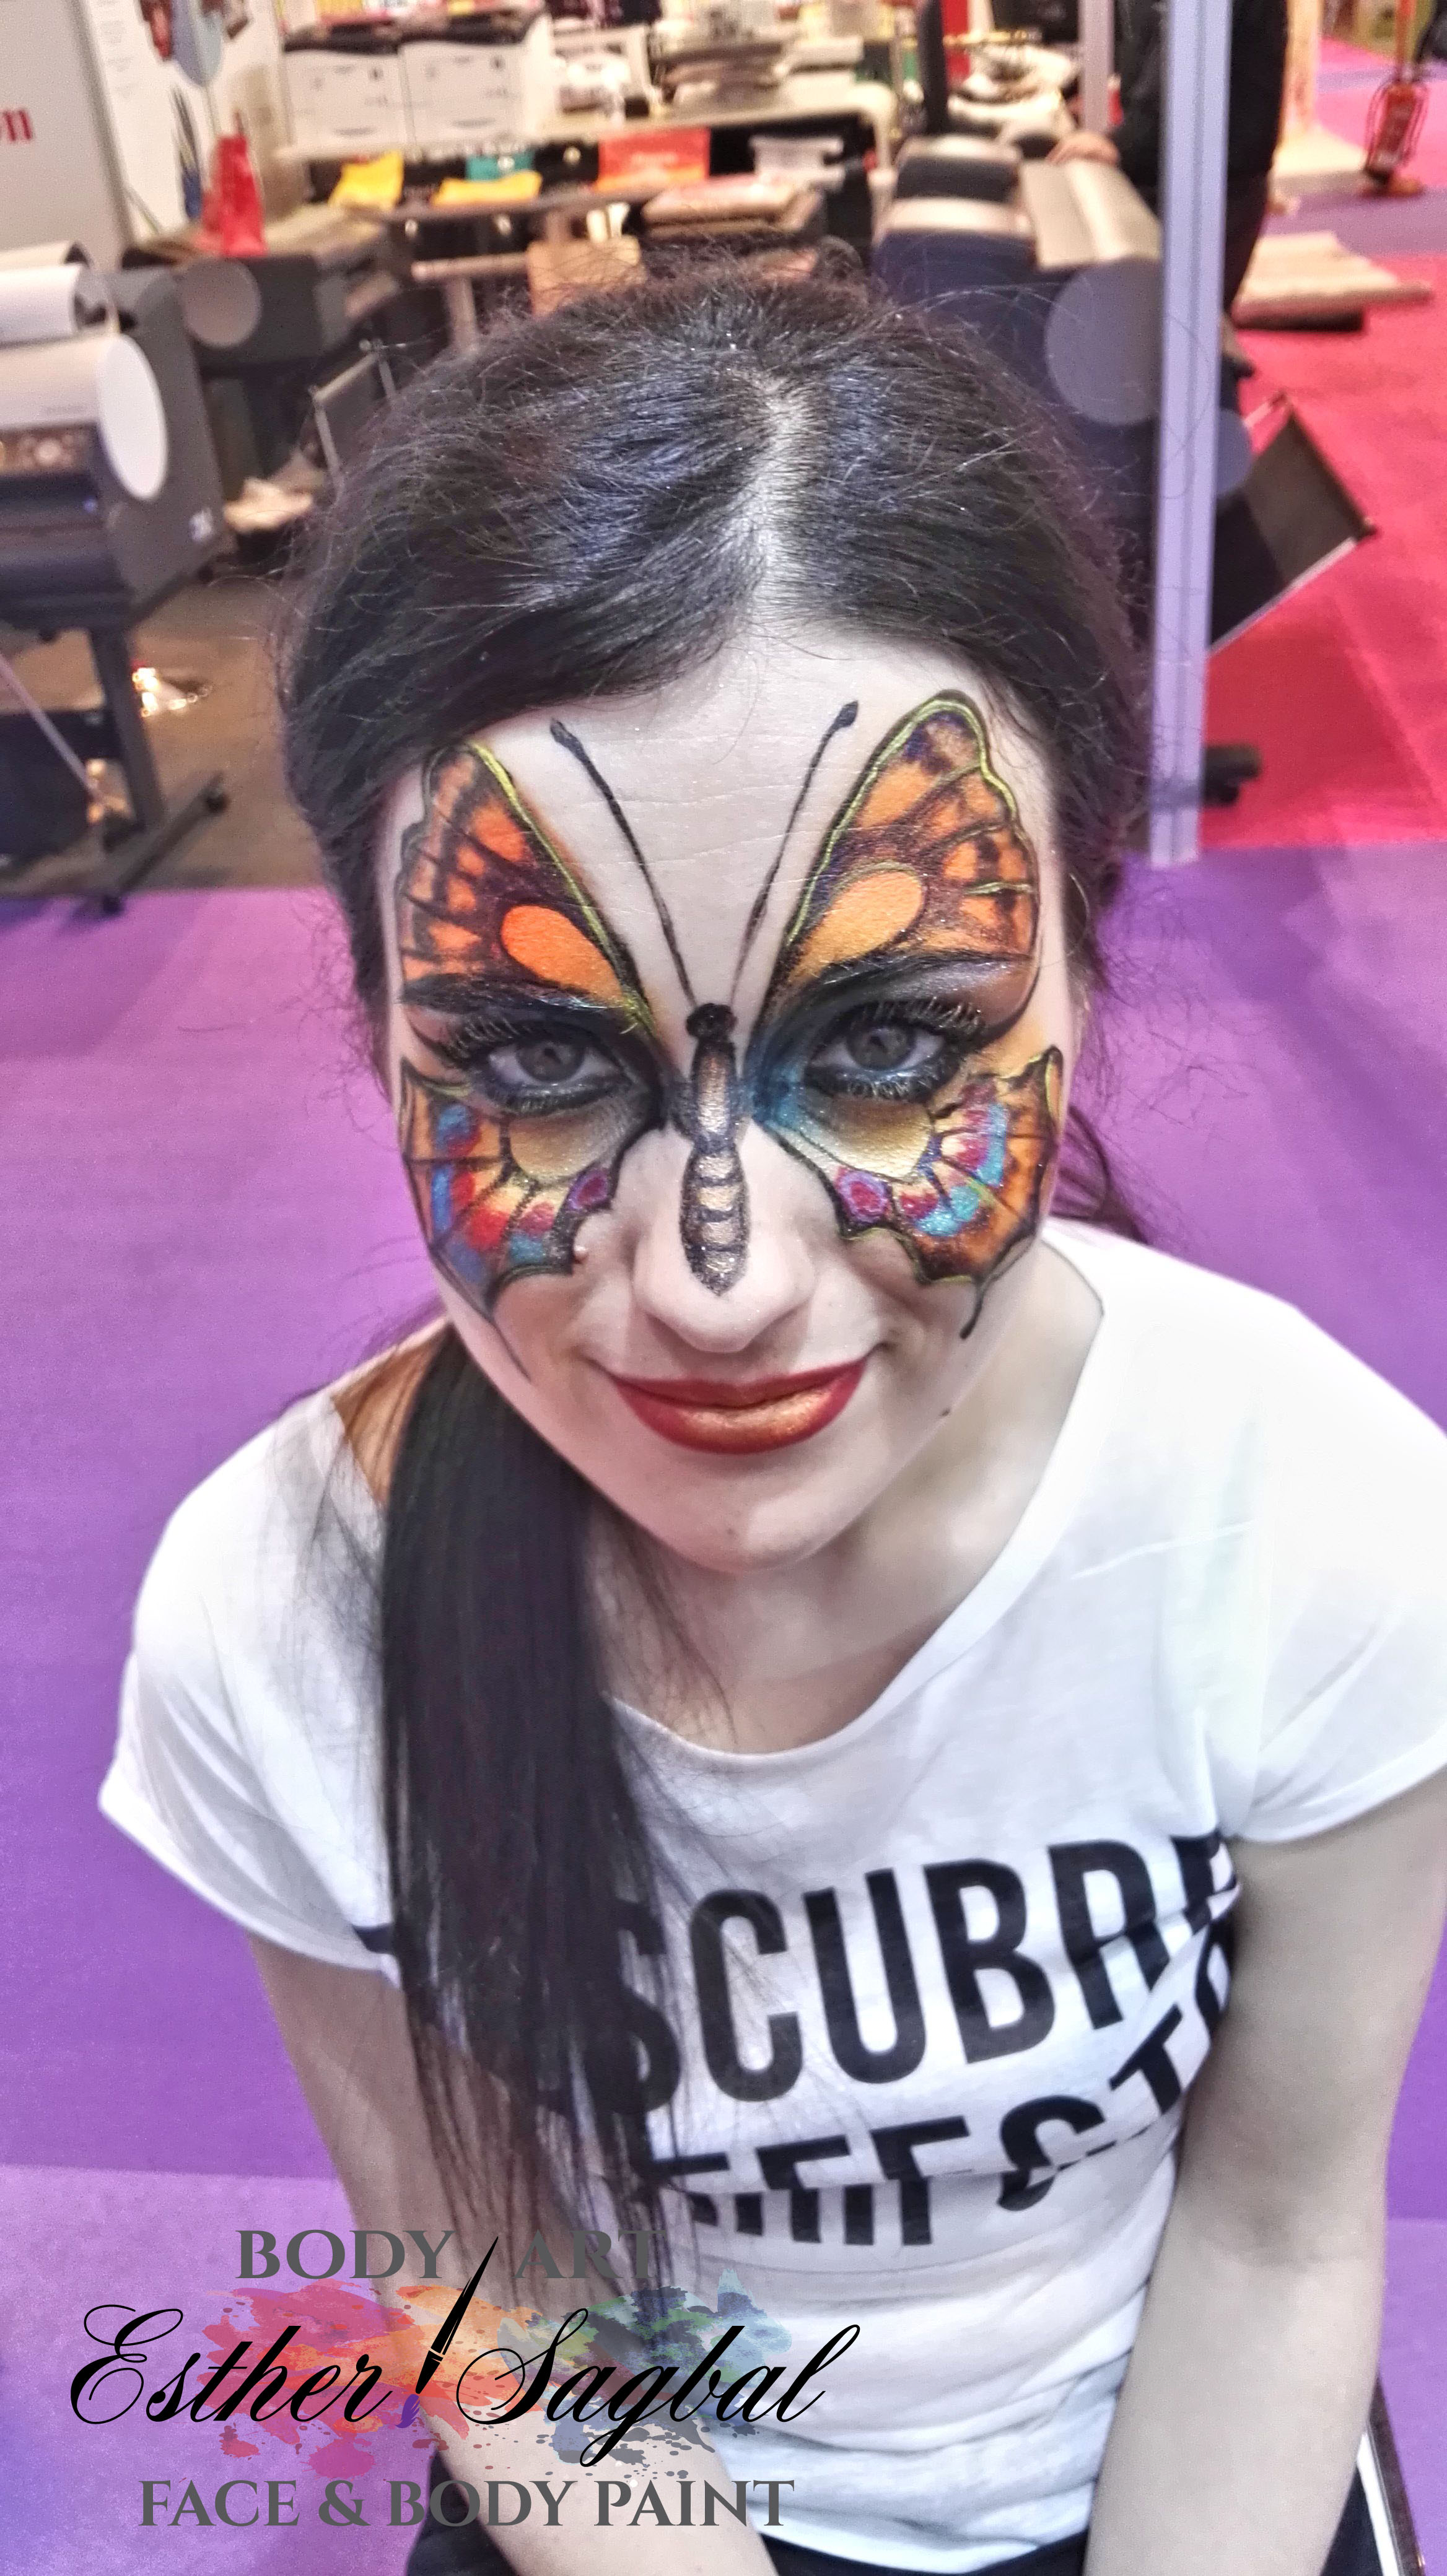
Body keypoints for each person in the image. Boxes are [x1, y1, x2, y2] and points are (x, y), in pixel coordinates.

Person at [100, 272, 1447, 2576]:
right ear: (378, 1024)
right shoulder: (281, 1613)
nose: (718, 1282)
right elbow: (498, 2294)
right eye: (541, 1063)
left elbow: (1271, 2234)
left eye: (894, 1044)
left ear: (1079, 960)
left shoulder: (1315, 1521)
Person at [1051, 0, 1290, 310]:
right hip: (1176, 161)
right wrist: (1068, 87)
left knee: (1179, 321)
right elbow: (1141, 36)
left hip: (1213, 172)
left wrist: (1122, 144)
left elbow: (1186, 54)